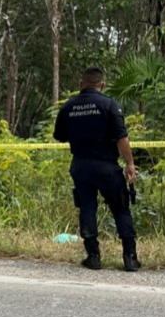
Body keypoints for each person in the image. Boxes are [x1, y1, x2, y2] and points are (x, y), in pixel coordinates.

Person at [53, 67, 139, 272]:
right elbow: (122, 137)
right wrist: (130, 163)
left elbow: (59, 136)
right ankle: (130, 257)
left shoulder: (68, 107)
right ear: (102, 85)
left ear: (81, 84)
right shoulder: (109, 105)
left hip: (81, 166)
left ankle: (93, 256)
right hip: (107, 166)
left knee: (87, 209)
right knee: (120, 208)